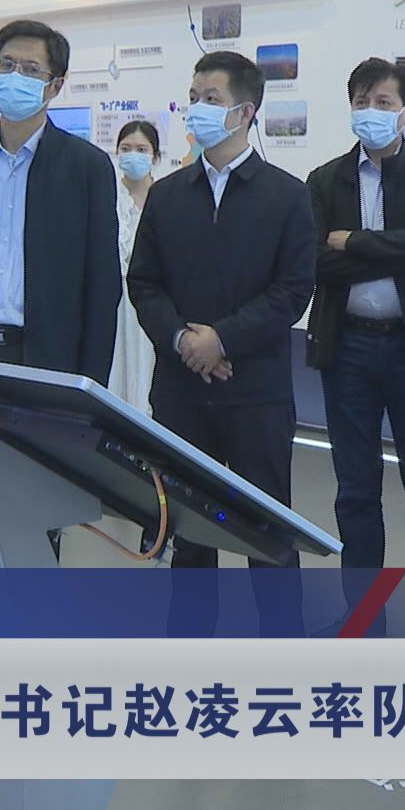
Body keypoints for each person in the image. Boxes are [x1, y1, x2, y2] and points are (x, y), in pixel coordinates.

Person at [128, 50, 315, 606]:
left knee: (267, 536)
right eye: (193, 99)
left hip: (256, 394)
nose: (197, 109)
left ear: (245, 112)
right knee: (187, 538)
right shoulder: (167, 195)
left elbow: (292, 290)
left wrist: (222, 339)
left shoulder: (287, 195)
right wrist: (185, 341)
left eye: (211, 99)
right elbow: (144, 284)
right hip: (181, 394)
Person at [306, 57, 405, 637]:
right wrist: (397, 246)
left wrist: (353, 242)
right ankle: (363, 616)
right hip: (347, 348)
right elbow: (315, 261)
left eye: (383, 103)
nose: (370, 112)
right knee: (355, 492)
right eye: (361, 102)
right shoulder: (324, 179)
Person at [0, 19, 121, 383]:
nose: (15, 76)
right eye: (7, 65)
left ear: (55, 86)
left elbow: (102, 286)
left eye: (30, 69)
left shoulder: (86, 168)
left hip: (45, 359)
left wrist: (90, 386)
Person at [109, 120, 161, 411]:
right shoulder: (107, 198)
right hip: (114, 304)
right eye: (126, 148)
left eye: (142, 149)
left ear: (155, 156)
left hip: (155, 302)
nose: (133, 155)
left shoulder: (166, 197)